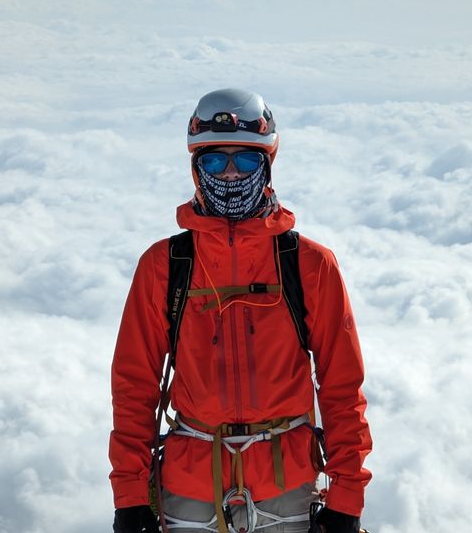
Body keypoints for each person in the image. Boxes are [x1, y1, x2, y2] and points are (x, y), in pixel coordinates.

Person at [110, 89, 372, 533]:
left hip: (287, 483)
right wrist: (130, 496)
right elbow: (135, 385)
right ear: (196, 168)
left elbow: (342, 386)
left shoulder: (308, 264)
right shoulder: (165, 266)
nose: (230, 174)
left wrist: (348, 495)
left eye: (246, 161)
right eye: (214, 161)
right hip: (190, 485)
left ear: (267, 164)